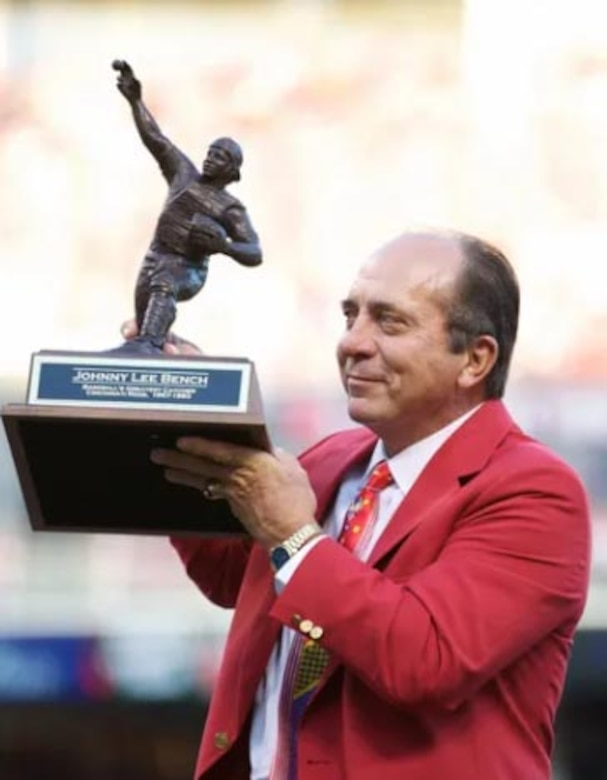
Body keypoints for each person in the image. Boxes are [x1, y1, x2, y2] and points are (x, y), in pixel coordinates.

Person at [146, 229, 591, 780]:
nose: (353, 342)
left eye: (389, 321)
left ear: (475, 360)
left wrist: (293, 535)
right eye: (350, 315)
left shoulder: (535, 491)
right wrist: (181, 427)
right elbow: (233, 578)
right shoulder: (335, 459)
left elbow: (424, 660)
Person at [113, 59, 262, 352]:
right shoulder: (184, 174)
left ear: (232, 171)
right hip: (155, 257)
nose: (210, 158)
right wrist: (136, 101)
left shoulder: (230, 208)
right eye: (210, 152)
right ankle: (152, 347)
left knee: (163, 288)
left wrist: (225, 245)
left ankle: (148, 345)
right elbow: (156, 139)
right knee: (145, 323)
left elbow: (254, 251)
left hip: (187, 269)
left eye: (219, 157)